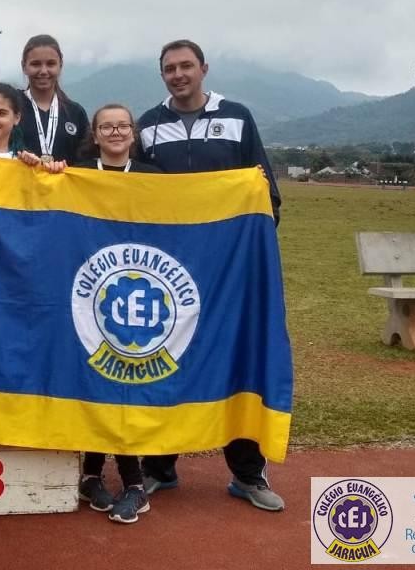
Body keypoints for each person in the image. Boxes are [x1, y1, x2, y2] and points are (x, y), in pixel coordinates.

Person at [136, 38, 283, 512]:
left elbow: (264, 193)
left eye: (186, 66)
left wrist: (249, 249)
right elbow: (133, 197)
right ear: (161, 75)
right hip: (173, 274)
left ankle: (247, 474)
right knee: (168, 360)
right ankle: (160, 468)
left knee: (235, 361)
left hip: (228, 273)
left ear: (203, 68)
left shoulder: (237, 116)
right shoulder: (148, 126)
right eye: (169, 69)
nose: (178, 74)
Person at [70, 103, 158, 524]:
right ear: (95, 132)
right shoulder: (77, 172)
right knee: (94, 378)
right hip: (89, 292)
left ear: (134, 132)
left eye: (123, 125)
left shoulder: (154, 178)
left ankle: (134, 483)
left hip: (136, 293)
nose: (116, 132)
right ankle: (90, 473)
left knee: (123, 382)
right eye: (107, 126)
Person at [17, 35, 90, 164]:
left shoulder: (75, 113)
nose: (44, 71)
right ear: (24, 66)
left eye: (51, 64)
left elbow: (87, 161)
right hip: (20, 183)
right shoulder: (11, 106)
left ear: (60, 65)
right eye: (35, 64)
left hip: (63, 184)